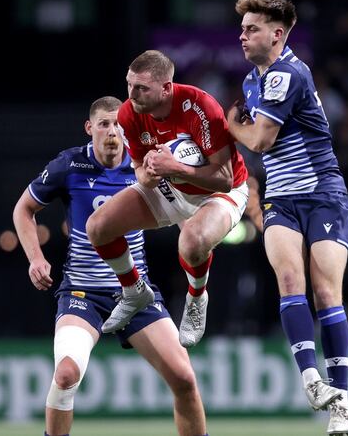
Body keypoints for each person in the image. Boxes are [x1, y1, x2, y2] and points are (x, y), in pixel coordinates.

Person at [12, 96, 208, 436]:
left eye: (118, 124)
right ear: (90, 129)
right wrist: (36, 258)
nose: (112, 131)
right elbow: (23, 209)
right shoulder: (70, 165)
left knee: (185, 379)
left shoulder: (146, 164)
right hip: (82, 293)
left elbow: (183, 213)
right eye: (104, 124)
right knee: (66, 375)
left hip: (136, 294)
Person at [226, 0, 348, 435]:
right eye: (242, 29)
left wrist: (230, 126)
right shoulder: (252, 81)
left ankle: (342, 400)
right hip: (281, 198)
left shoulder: (287, 73)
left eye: (252, 29)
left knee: (325, 291)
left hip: (322, 194)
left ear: (277, 35)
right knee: (288, 281)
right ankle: (313, 381)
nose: (242, 36)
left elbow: (258, 141)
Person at [85, 50, 250, 347]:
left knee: (191, 242)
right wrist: (145, 175)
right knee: (97, 227)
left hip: (218, 193)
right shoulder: (127, 113)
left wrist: (175, 167)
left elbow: (224, 178)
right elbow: (138, 168)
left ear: (166, 88)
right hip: (170, 188)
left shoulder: (201, 108)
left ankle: (197, 297)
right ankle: (134, 291)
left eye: (141, 88)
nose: (132, 94)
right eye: (129, 85)